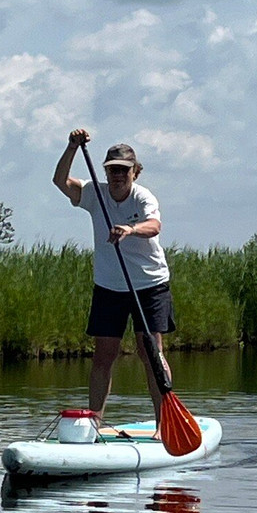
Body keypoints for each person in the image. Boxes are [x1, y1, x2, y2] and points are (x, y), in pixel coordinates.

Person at [53, 128, 176, 432]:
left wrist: (130, 230)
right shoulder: (95, 193)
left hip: (149, 283)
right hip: (110, 285)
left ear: (135, 172)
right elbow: (60, 181)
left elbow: (154, 225)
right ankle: (93, 426)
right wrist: (71, 147)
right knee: (103, 356)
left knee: (150, 352)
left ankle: (165, 426)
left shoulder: (143, 196)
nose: (118, 175)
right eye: (112, 170)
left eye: (123, 170)